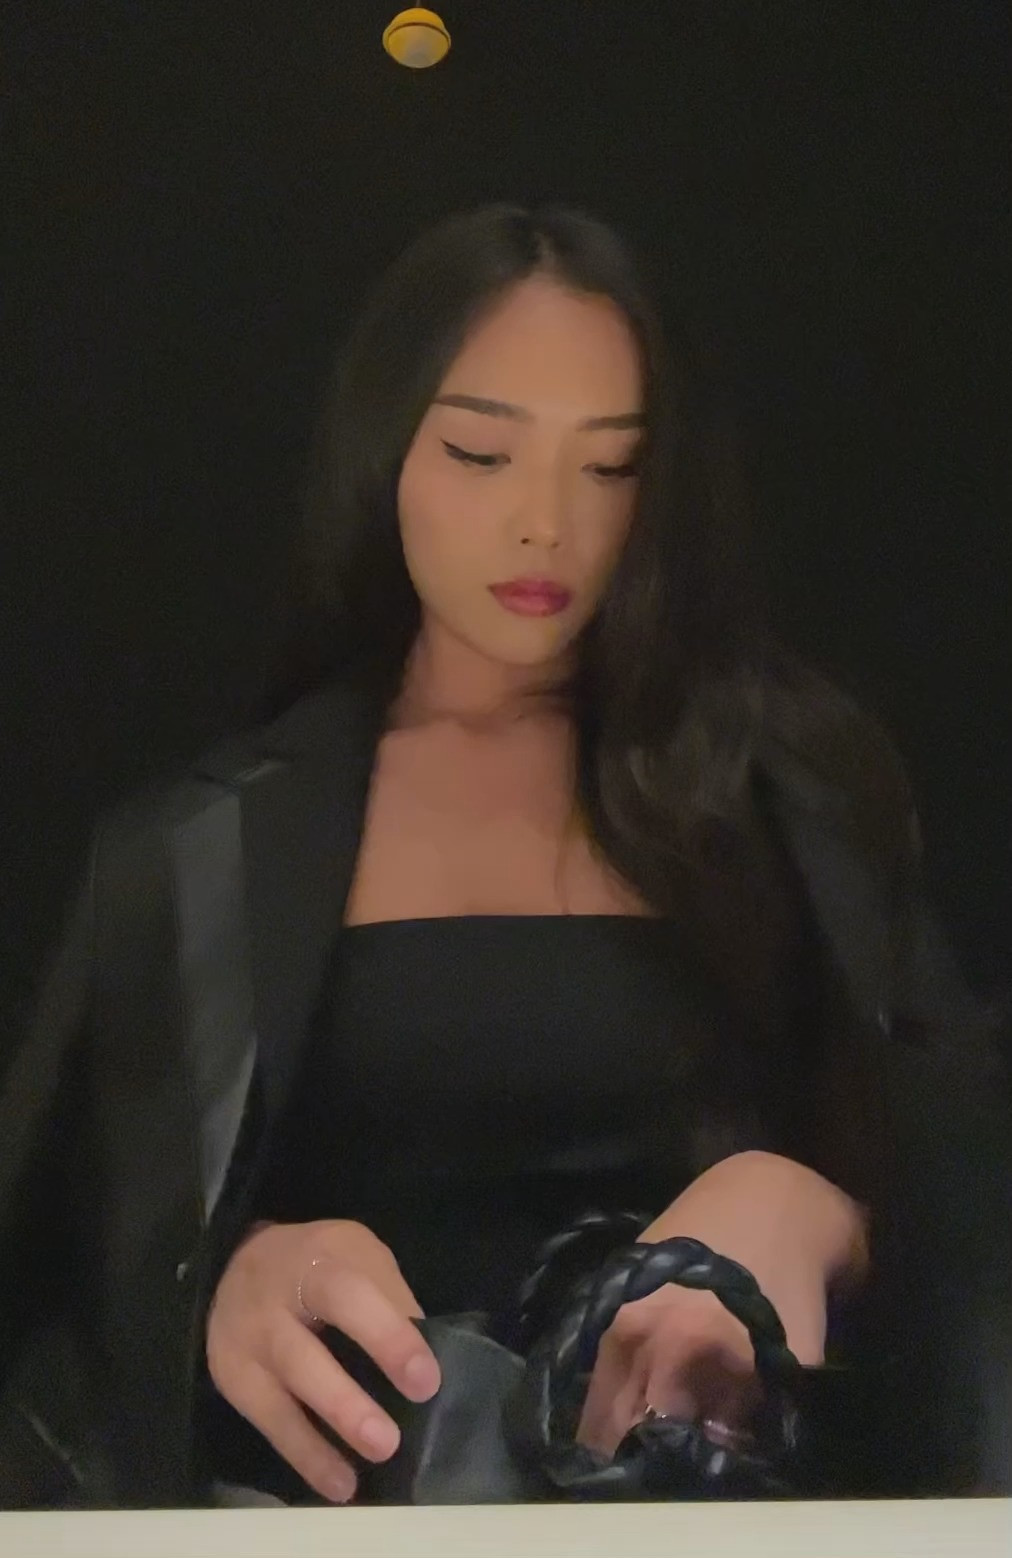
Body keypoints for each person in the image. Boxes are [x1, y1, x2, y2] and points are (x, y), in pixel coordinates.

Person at [0, 203, 1008, 1509]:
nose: (545, 523)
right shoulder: (198, 854)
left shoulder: (800, 807)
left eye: (611, 468)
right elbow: (66, 1262)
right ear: (384, 451)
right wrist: (217, 1282)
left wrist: (813, 1216)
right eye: (482, 453)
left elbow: (962, 1203)